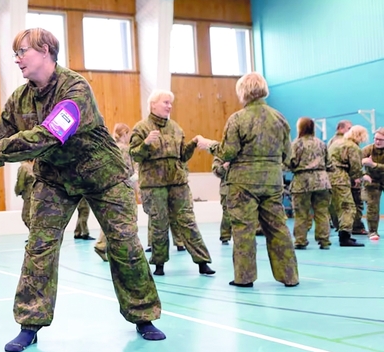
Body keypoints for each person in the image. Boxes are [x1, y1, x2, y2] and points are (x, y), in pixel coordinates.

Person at [0, 28, 165, 350]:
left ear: (44, 50)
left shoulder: (75, 88)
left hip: (104, 176)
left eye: (22, 51)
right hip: (54, 178)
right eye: (16, 53)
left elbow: (52, 133)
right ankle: (30, 323)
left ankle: (143, 315)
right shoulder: (19, 100)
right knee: (39, 246)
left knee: (125, 245)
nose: (16, 59)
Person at [196, 72, 299, 288]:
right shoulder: (279, 118)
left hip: (243, 184)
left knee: (243, 229)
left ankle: (244, 277)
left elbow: (228, 152)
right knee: (278, 228)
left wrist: (210, 145)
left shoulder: (238, 119)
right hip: (272, 181)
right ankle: (289, 276)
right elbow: (288, 156)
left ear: (242, 92)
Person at [129, 90, 214, 276]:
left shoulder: (176, 127)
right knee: (159, 225)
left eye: (170, 103)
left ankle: (202, 262)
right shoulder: (141, 128)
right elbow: (134, 154)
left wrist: (193, 144)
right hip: (154, 186)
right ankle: (159, 264)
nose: (169, 106)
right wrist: (145, 143)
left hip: (177, 183)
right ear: (153, 104)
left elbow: (183, 155)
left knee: (188, 221)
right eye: (165, 102)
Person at [288, 117, 332, 250]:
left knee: (301, 213)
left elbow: (291, 162)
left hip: (302, 181)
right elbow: (329, 163)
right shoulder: (321, 143)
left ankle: (300, 240)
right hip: (322, 181)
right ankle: (324, 240)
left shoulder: (296, 144)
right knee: (322, 212)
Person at [94, 122, 136, 261]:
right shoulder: (125, 149)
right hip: (122, 187)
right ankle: (124, 251)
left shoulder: (109, 147)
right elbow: (128, 169)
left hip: (108, 186)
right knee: (124, 221)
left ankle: (102, 244)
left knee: (110, 218)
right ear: (124, 134)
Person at [328, 125, 368, 247]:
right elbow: (355, 167)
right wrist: (359, 176)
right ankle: (345, 237)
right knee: (348, 207)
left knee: (334, 207)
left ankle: (339, 230)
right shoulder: (353, 147)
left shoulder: (336, 142)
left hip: (327, 177)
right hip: (340, 178)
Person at [328, 120, 352, 229]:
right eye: (348, 128)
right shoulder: (342, 142)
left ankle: (338, 226)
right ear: (341, 128)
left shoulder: (332, 141)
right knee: (346, 206)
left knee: (334, 205)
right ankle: (344, 229)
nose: (350, 131)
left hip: (331, 177)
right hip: (340, 177)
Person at [361, 128, 384, 241]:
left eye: (380, 139)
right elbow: (355, 164)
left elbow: (373, 164)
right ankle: (372, 231)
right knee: (372, 206)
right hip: (372, 181)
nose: (377, 141)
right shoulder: (367, 149)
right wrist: (363, 174)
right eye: (375, 139)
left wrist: (373, 164)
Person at [14, 159, 36, 230]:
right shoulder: (35, 165)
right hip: (38, 193)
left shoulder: (24, 167)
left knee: (26, 216)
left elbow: (20, 181)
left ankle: (35, 236)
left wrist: (17, 191)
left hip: (29, 193)